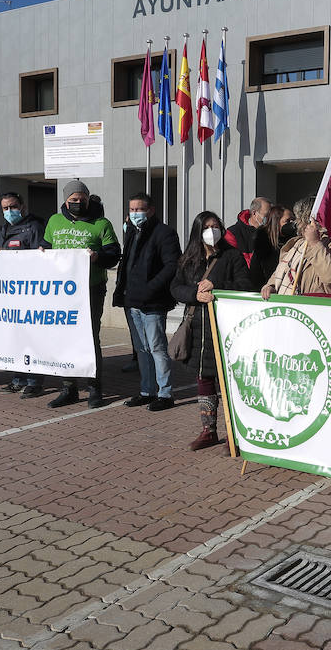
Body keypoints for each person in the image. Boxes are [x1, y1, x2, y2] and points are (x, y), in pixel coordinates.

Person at [171, 211, 252, 450]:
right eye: (207, 226)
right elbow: (175, 287)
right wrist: (194, 294)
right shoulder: (188, 259)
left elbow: (246, 286)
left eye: (216, 226)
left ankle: (233, 433)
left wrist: (217, 287)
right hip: (197, 328)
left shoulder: (231, 256)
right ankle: (208, 430)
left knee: (228, 381)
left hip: (225, 327)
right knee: (203, 378)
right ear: (198, 230)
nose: (212, 230)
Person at [42, 180, 121, 408]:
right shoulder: (54, 221)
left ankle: (95, 387)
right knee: (65, 338)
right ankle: (69, 388)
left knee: (89, 339)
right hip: (61, 291)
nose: (77, 203)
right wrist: (40, 253)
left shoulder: (101, 223)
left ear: (88, 199)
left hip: (91, 288)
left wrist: (98, 256)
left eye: (81, 200)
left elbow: (114, 253)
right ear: (65, 201)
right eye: (73, 200)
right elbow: (45, 247)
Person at [113, 192, 181, 412]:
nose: (135, 214)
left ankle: (165, 393)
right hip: (131, 301)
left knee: (157, 348)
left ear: (151, 210)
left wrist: (151, 288)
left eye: (139, 209)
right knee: (141, 349)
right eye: (131, 210)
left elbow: (172, 265)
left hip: (152, 302)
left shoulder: (164, 233)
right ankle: (146, 391)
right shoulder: (132, 232)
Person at [0, 191, 48, 396]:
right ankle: (17, 379)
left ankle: (35, 381)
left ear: (22, 207)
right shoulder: (3, 230)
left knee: (31, 338)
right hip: (9, 294)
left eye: (13, 207)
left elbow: (41, 258)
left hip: (30, 294)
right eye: (5, 208)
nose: (9, 211)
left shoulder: (34, 227)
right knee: (14, 338)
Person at [260, 196, 331, 298]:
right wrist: (271, 286)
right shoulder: (297, 244)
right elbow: (282, 270)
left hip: (319, 308)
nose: (296, 223)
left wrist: (315, 244)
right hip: (293, 307)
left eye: (298, 218)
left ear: (308, 219)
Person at [247, 204, 288, 291]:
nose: (292, 224)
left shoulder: (294, 243)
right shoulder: (262, 248)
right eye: (287, 221)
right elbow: (255, 278)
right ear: (276, 222)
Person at [228, 197, 272, 267]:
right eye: (267, 215)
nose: (270, 219)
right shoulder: (233, 233)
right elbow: (232, 261)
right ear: (254, 213)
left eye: (271, 216)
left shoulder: (271, 232)